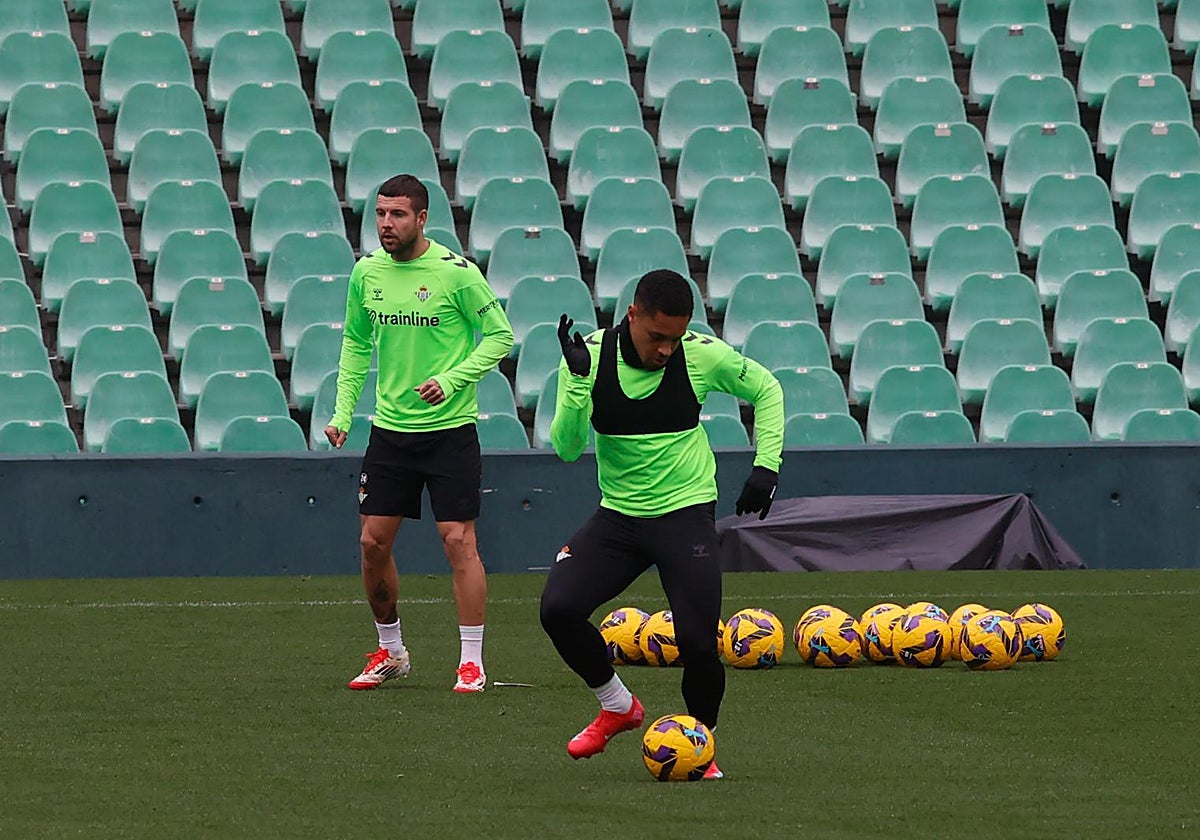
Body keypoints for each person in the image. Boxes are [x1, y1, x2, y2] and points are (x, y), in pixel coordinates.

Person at [538, 269, 784, 779]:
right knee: (558, 609)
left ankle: (699, 744)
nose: (667, 350)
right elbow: (564, 449)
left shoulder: (700, 354)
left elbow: (767, 389)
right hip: (620, 518)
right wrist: (580, 383)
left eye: (675, 337)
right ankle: (617, 706)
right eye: (657, 337)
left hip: (686, 513)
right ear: (632, 315)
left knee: (697, 643)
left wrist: (767, 466)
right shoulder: (588, 356)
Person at [325, 174, 514, 693]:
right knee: (371, 543)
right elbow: (357, 346)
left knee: (458, 541)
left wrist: (453, 380)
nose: (387, 223)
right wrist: (343, 414)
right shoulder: (366, 272)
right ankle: (391, 650)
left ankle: (471, 661)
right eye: (381, 214)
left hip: (450, 432)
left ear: (422, 218)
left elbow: (502, 336)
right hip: (389, 434)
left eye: (398, 215)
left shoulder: (457, 274)